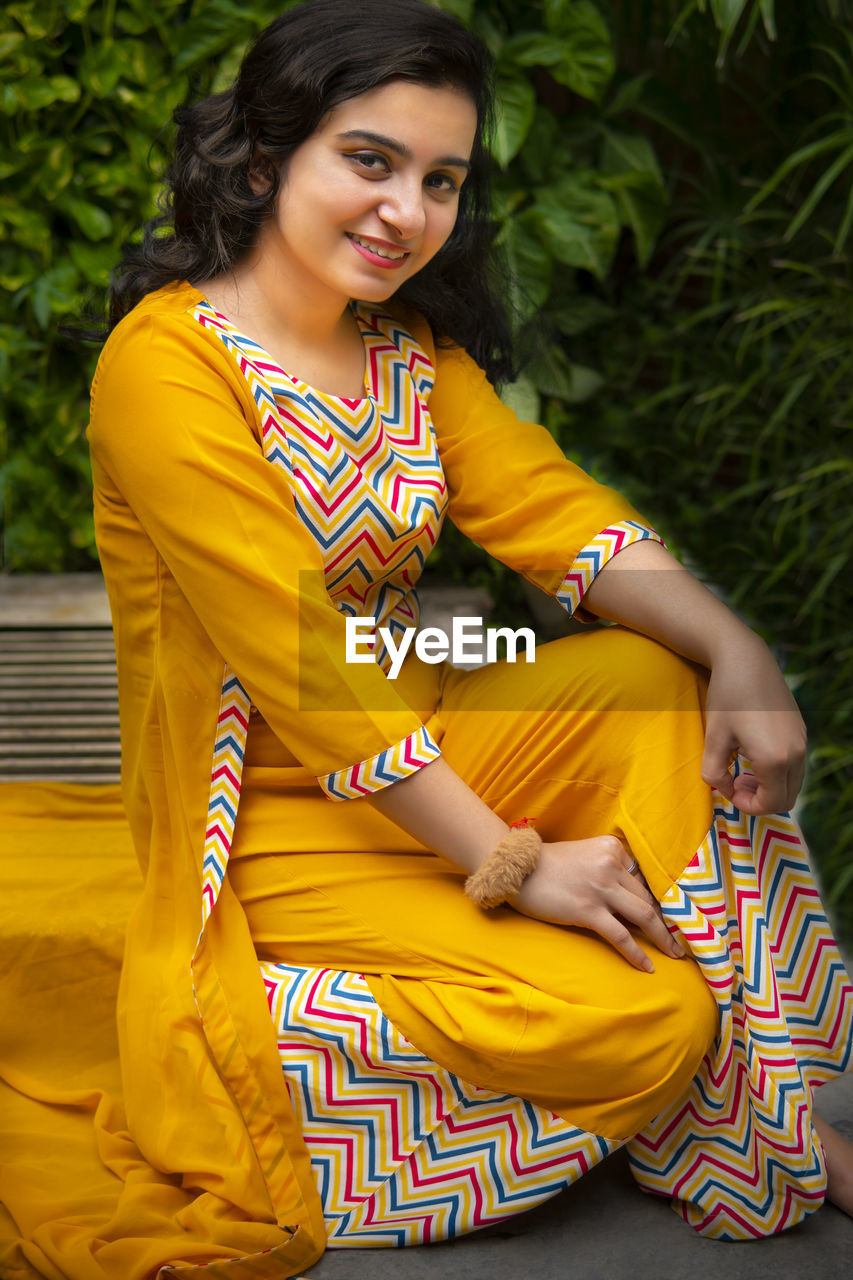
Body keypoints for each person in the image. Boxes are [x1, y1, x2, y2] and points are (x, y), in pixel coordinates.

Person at [19, 0, 851, 1275]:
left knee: (649, 676)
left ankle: (762, 1120)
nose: (406, 208)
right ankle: (684, 1085)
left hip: (425, 737)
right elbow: (306, 657)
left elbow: (553, 510)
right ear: (263, 162)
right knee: (640, 1016)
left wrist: (734, 648)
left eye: (441, 179)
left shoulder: (406, 355)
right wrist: (519, 862)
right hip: (261, 809)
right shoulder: (166, 365)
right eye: (370, 159)